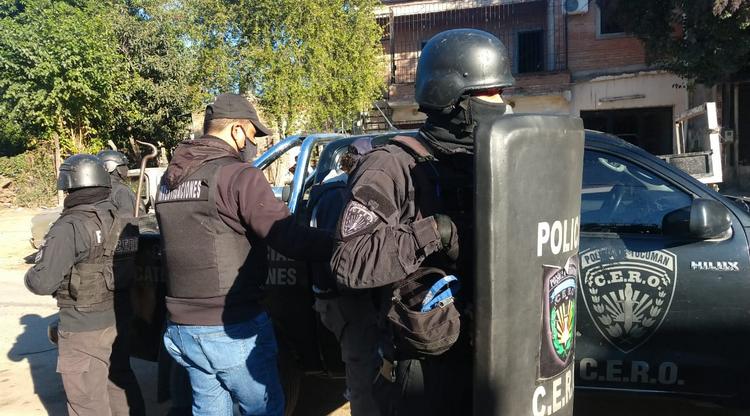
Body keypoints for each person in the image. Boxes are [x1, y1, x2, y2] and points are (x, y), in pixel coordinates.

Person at [329, 28, 515, 415]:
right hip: (422, 367)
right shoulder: (390, 166)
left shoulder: (491, 160)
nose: (502, 105)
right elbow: (349, 261)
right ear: (450, 98)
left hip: (488, 357)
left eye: (502, 92)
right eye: (490, 94)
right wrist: (437, 231)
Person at [155, 93, 332, 416]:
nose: (252, 144)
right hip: (230, 327)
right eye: (252, 134)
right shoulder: (237, 175)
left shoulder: (171, 179)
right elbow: (288, 236)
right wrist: (342, 242)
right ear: (236, 130)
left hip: (182, 328)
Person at [25, 154, 122, 416]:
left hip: (82, 326)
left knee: (86, 403)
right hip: (115, 318)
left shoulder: (70, 225)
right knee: (116, 389)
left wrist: (29, 275)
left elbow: (42, 282)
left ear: (69, 185)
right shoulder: (117, 217)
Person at [310, 137, 380, 416]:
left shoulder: (333, 191)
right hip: (344, 299)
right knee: (363, 370)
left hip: (338, 297)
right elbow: (342, 257)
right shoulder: (338, 196)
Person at [96, 149, 146, 416]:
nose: (126, 169)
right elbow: (132, 229)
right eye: (123, 166)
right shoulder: (119, 191)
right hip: (117, 278)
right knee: (116, 363)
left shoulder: (104, 192)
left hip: (108, 280)